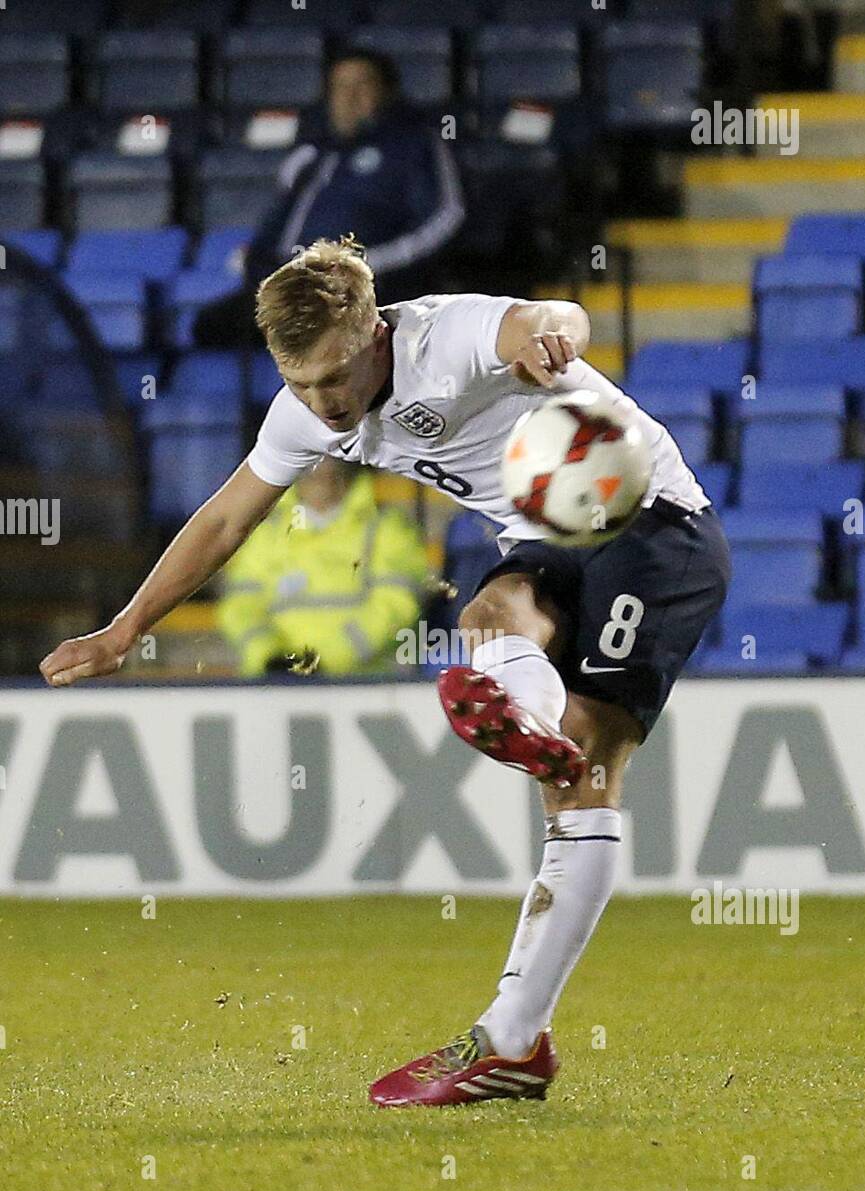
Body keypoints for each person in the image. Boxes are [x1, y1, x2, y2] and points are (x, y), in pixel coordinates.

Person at [40, 236, 730, 1109]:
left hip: (655, 525)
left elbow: (546, 318)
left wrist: (552, 334)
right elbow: (223, 523)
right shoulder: (305, 410)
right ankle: (534, 745)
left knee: (590, 763)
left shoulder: (446, 339)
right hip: (545, 536)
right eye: (300, 383)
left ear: (373, 333)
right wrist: (123, 630)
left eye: (335, 376)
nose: (324, 405)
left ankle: (516, 1028)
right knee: (485, 619)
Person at [194, 49, 465, 347]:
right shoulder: (311, 156)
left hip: (365, 290)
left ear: (388, 93)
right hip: (294, 288)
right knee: (210, 326)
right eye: (340, 88)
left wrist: (364, 266)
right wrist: (257, 262)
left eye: (362, 85)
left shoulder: (416, 146)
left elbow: (446, 218)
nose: (349, 97)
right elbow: (276, 225)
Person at [217, 456, 428, 677]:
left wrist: (324, 662)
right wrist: (269, 657)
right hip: (274, 686)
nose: (322, 456)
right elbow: (240, 608)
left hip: (362, 688)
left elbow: (396, 607)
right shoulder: (265, 531)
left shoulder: (388, 527)